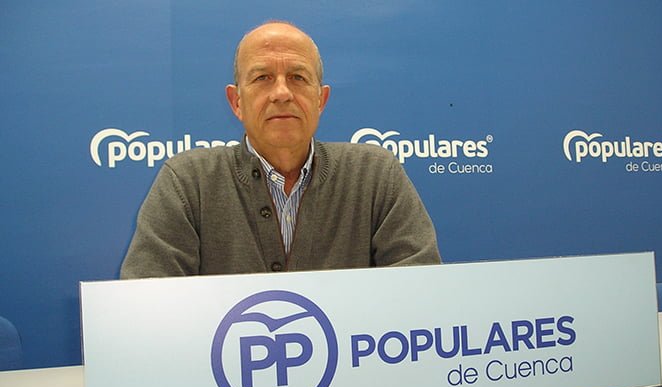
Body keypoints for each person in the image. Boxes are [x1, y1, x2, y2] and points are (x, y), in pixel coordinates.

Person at [120, 21, 440, 278]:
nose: (282, 93)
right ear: (236, 102)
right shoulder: (187, 182)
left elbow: (422, 290)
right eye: (263, 78)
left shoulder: (375, 175)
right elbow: (147, 302)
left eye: (298, 77)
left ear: (321, 99)